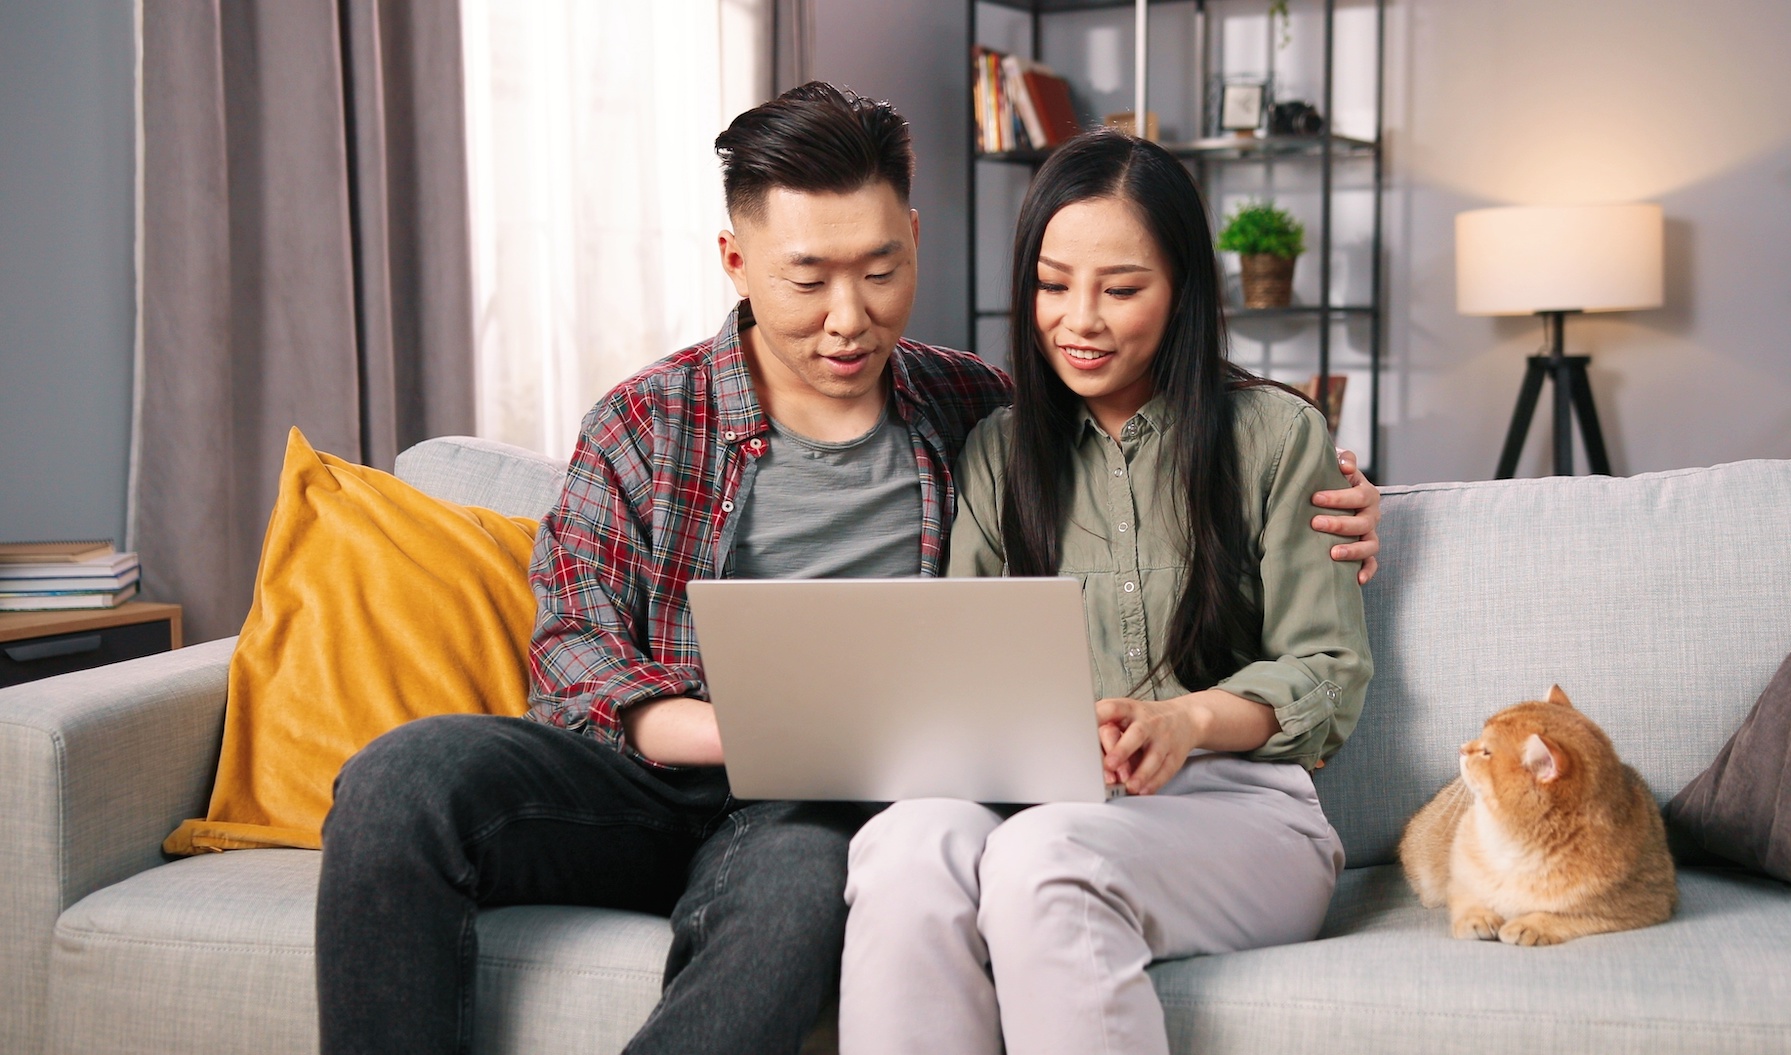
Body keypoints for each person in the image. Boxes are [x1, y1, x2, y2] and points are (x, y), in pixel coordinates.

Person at [315, 85, 1382, 1055]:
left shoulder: (969, 412)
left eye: (879, 272)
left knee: (813, 886)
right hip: (651, 777)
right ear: (734, 260)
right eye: (808, 278)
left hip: (811, 809)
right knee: (398, 779)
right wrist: (740, 728)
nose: (847, 316)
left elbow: (1146, 422)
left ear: (914, 240)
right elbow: (569, 651)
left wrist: (1354, 493)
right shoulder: (647, 422)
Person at [839, 128, 1373, 1055]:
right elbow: (964, 679)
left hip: (1244, 810)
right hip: (1044, 800)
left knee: (1045, 862)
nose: (1078, 319)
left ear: (1183, 292)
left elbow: (1327, 672)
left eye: (1120, 289)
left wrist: (1189, 721)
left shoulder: (1277, 436)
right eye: (1053, 285)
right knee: (901, 847)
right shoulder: (1000, 451)